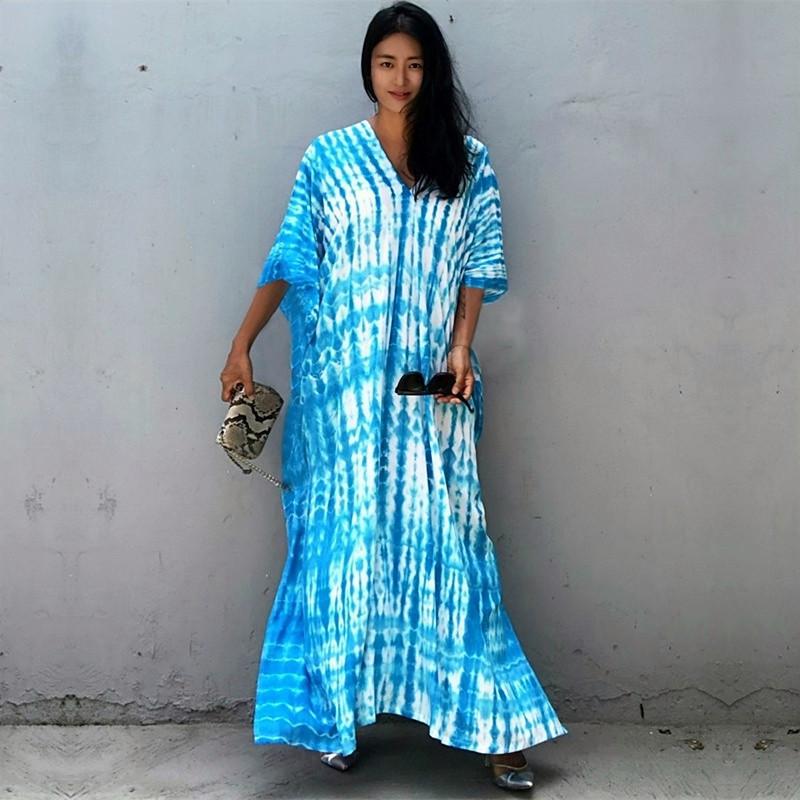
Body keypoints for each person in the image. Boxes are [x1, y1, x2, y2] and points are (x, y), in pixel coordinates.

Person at [219, 1, 568, 791]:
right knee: (345, 554)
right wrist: (242, 343)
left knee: (451, 552)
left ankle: (498, 729)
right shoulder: (330, 159)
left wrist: (461, 344)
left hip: (430, 394)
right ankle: (336, 719)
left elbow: (479, 264)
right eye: (386, 63)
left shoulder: (467, 162)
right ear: (368, 69)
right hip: (343, 400)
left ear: (431, 70)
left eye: (414, 64)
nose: (400, 79)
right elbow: (289, 259)